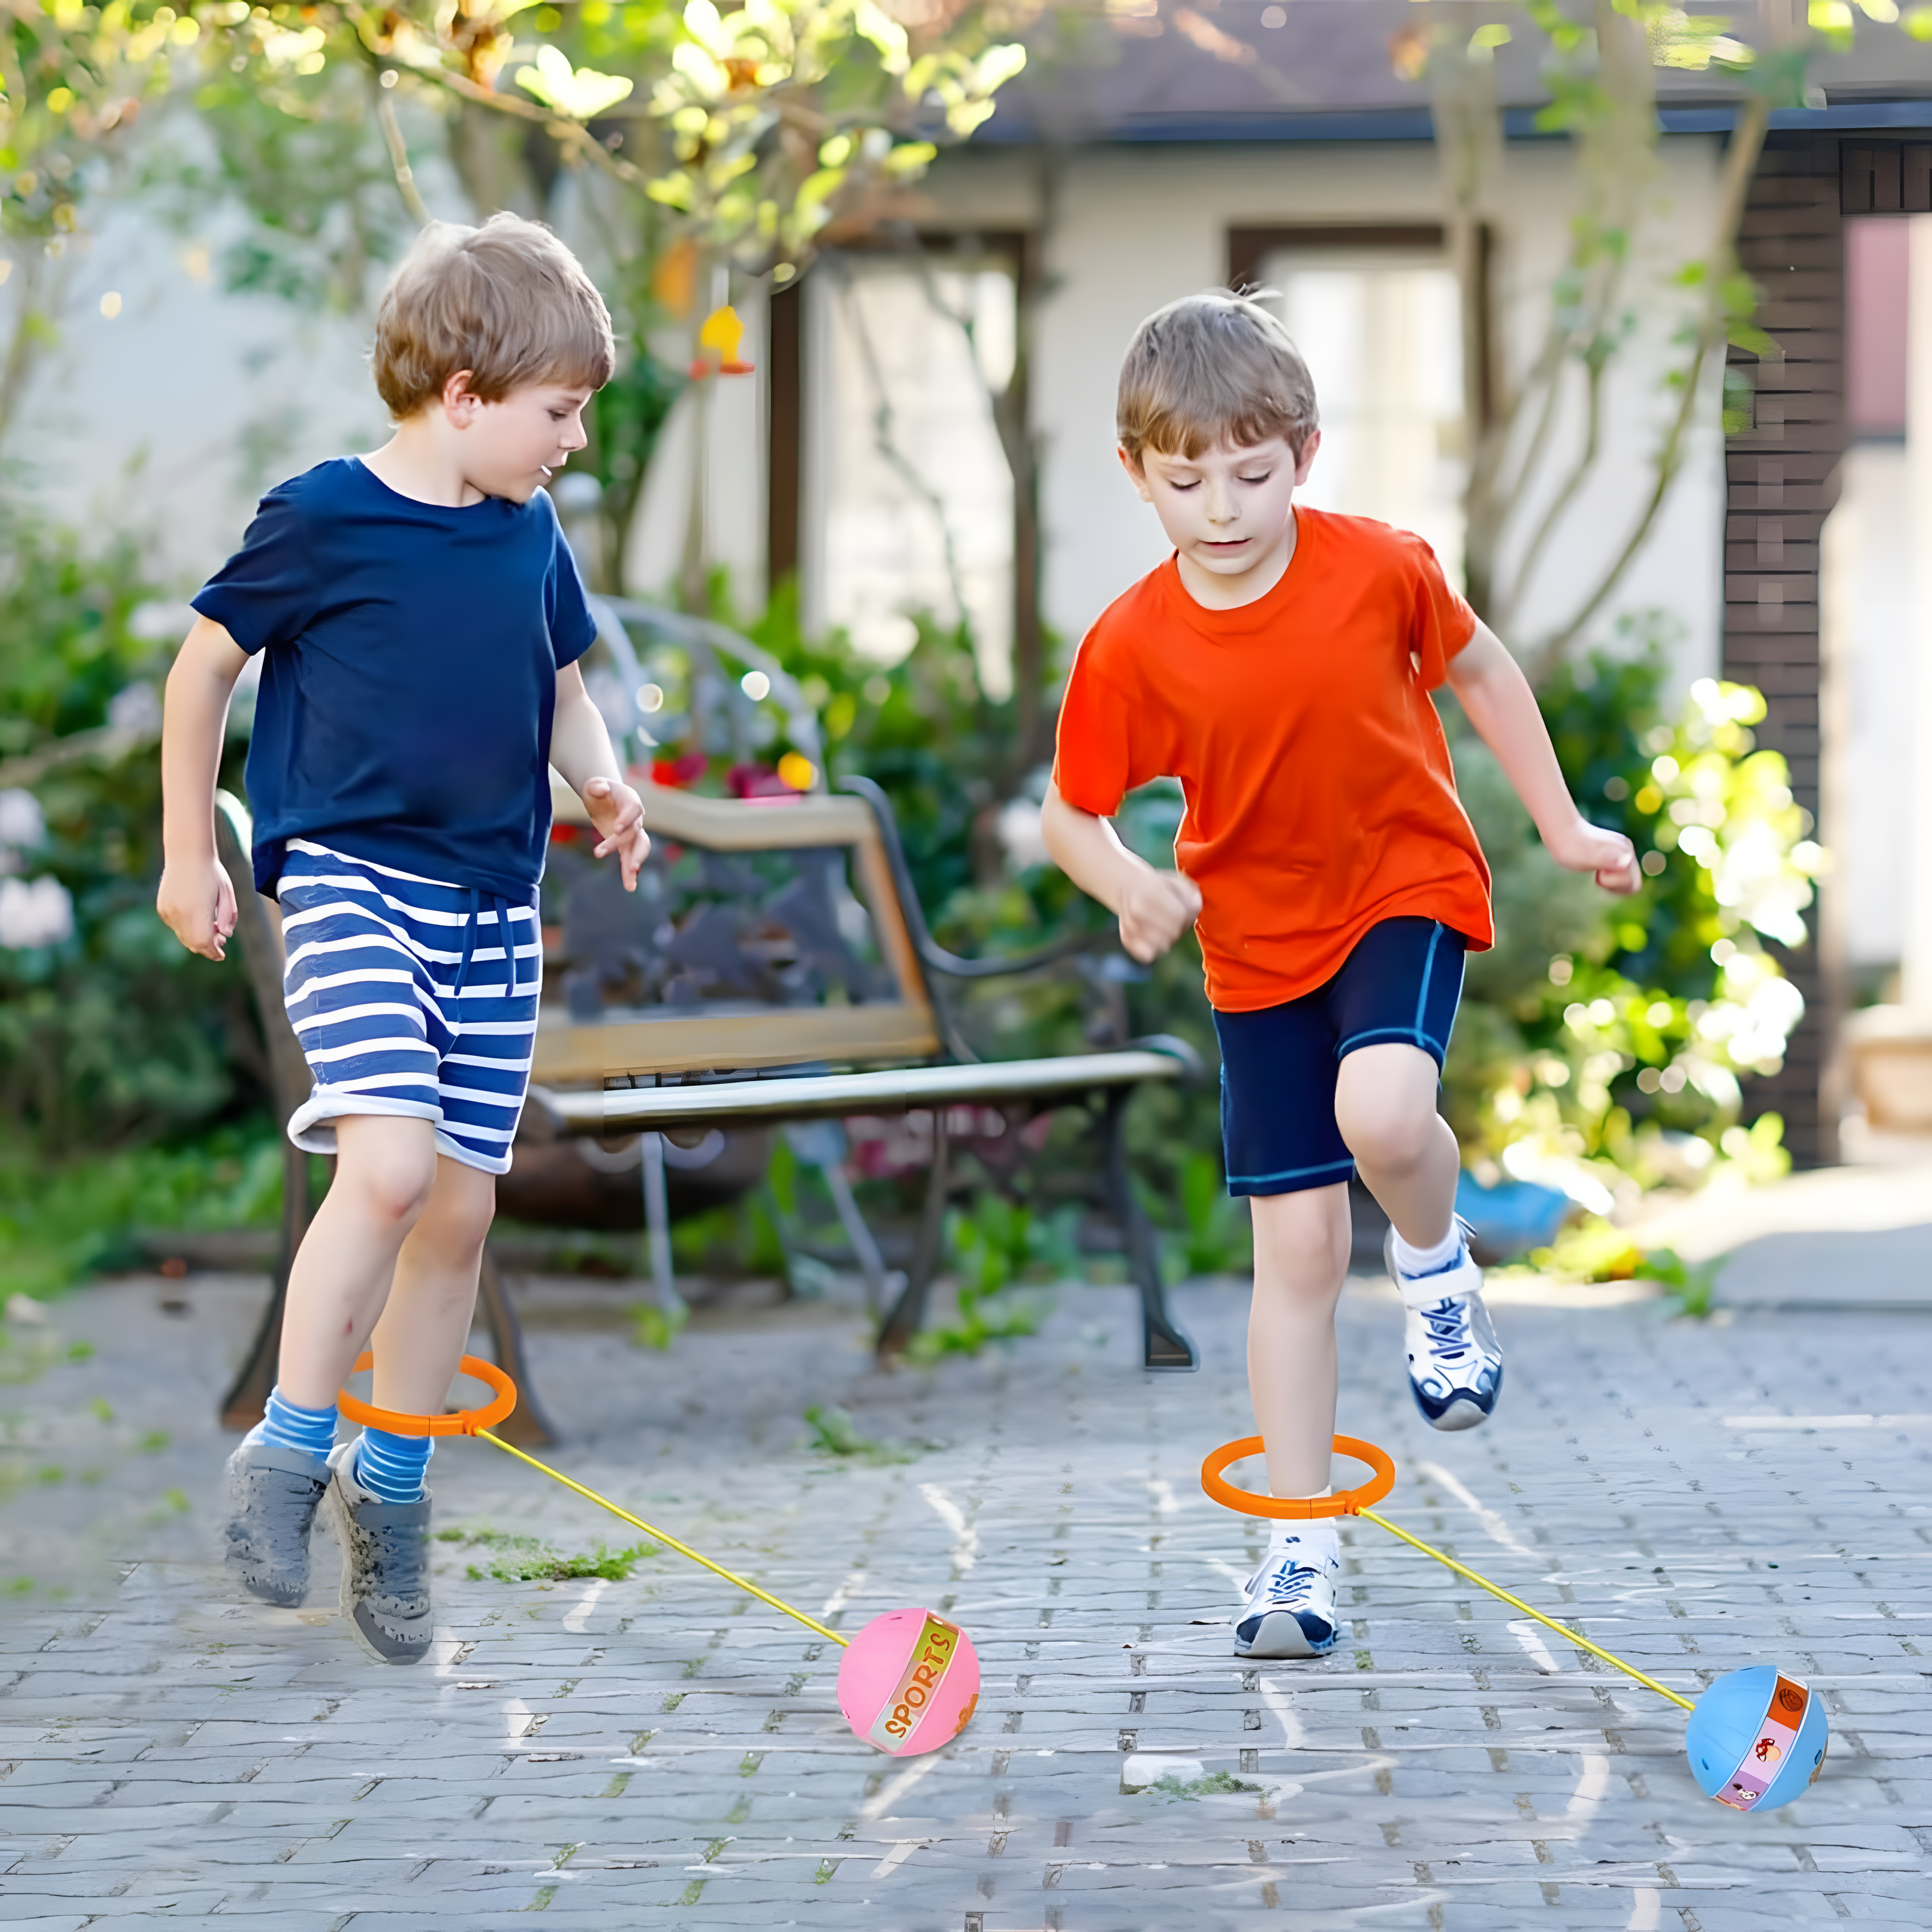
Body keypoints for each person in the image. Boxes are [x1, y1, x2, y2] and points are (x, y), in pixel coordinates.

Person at [1041, 292, 1636, 1661]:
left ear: (1304, 453)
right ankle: (1294, 1549)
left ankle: (1435, 1264)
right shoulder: (1131, 643)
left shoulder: (1378, 569)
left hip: (1400, 886)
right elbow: (1075, 813)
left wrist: (1561, 825)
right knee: (1297, 1250)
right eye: (1187, 481)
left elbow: (1479, 668)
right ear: (1137, 473)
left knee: (1384, 1116)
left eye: (1252, 474)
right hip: (1252, 947)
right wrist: (1130, 883)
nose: (1224, 508)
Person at [156, 214, 649, 1664]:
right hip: (355, 887)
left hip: (494, 911)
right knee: (381, 1169)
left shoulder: (530, 531)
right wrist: (192, 849)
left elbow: (564, 692)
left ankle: (395, 1495)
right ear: (466, 393)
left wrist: (604, 779)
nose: (572, 442)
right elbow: (201, 675)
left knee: (459, 1212)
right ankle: (288, 1456)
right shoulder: (323, 516)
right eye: (559, 414)